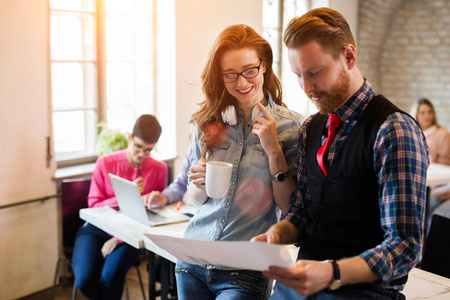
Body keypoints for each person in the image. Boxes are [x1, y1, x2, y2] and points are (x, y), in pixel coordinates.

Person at [252, 8, 429, 299]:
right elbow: (302, 213)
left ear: (348, 56)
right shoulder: (310, 128)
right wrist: (278, 234)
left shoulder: (393, 130)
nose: (306, 88)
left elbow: (404, 246)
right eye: (298, 76)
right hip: (299, 288)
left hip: (364, 293)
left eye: (315, 73)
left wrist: (332, 272)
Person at [175, 24, 304, 300]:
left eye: (249, 71)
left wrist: (273, 151)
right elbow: (198, 201)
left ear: (264, 66)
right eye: (230, 75)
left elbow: (290, 207)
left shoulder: (292, 127)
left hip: (245, 270)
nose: (242, 83)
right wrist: (198, 180)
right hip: (193, 260)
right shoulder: (208, 122)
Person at [72, 114, 168, 300]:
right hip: (96, 229)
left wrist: (118, 238)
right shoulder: (106, 162)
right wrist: (127, 195)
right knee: (84, 280)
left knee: (111, 276)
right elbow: (94, 204)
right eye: (138, 147)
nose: (141, 154)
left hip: (132, 235)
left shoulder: (159, 169)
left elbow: (152, 214)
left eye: (148, 150)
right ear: (129, 138)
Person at [414, 98, 450, 223]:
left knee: (424, 202)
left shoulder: (442, 133)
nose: (427, 116)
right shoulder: (414, 134)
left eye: (430, 112)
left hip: (438, 183)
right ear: (416, 114)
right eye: (422, 112)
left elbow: (445, 165)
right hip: (421, 182)